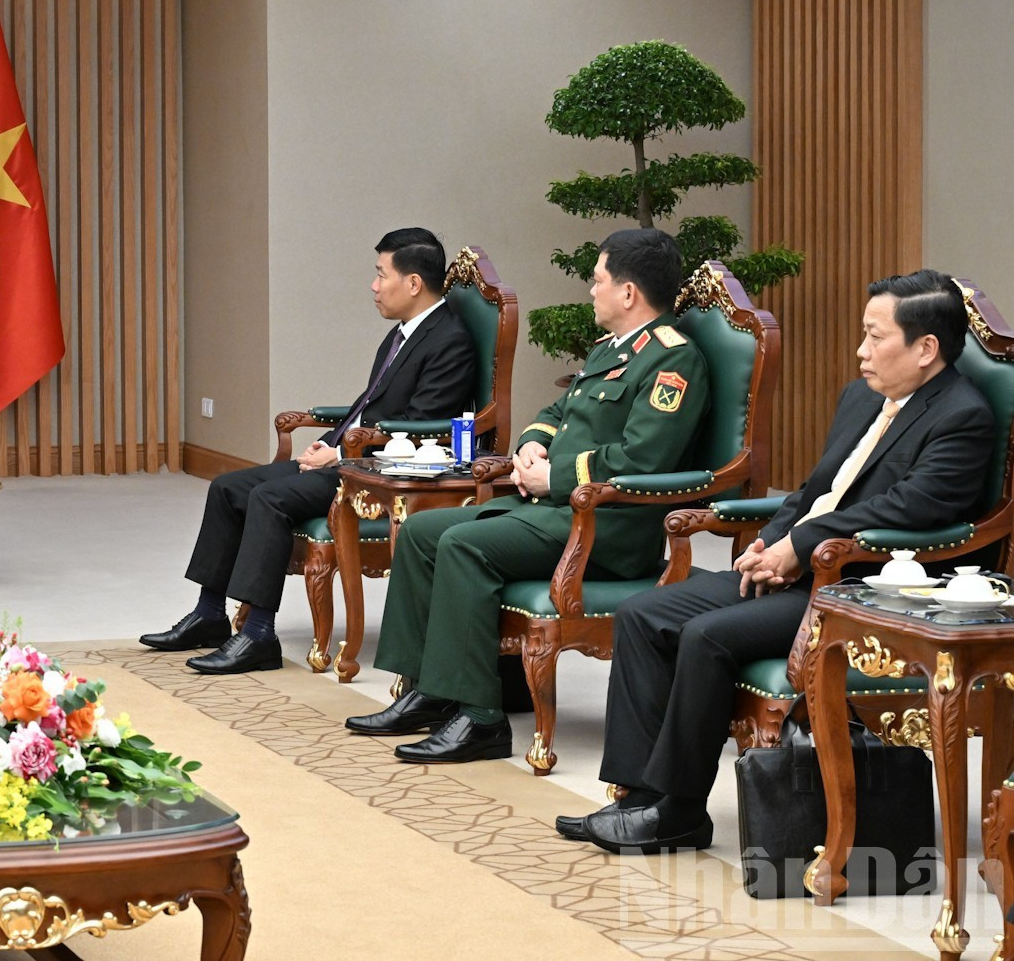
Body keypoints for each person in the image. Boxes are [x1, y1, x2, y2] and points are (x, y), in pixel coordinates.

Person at [561, 270, 994, 854]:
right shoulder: (863, 396)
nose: (861, 352)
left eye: (874, 337)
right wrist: (773, 540)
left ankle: (681, 812)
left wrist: (802, 545)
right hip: (800, 568)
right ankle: (639, 799)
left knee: (707, 636)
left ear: (925, 349)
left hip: (861, 591)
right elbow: (818, 488)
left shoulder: (962, 417)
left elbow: (911, 508)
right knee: (642, 615)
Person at [355, 227, 710, 761]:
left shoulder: (672, 361)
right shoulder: (610, 349)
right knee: (422, 530)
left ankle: (481, 718)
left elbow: (645, 459)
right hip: (551, 509)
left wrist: (557, 476)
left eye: (598, 281)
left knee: (462, 545)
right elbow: (556, 414)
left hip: (606, 527)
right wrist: (530, 451)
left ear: (629, 293)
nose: (591, 291)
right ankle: (430, 690)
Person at [139, 228, 478, 675]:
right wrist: (335, 440)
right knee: (226, 487)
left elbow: (416, 431)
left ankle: (258, 634)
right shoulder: (404, 333)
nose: (373, 286)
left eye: (381, 275)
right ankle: (209, 614)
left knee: (268, 498)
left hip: (378, 475)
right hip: (348, 457)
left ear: (413, 283)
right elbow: (374, 404)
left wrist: (340, 457)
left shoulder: (448, 340)